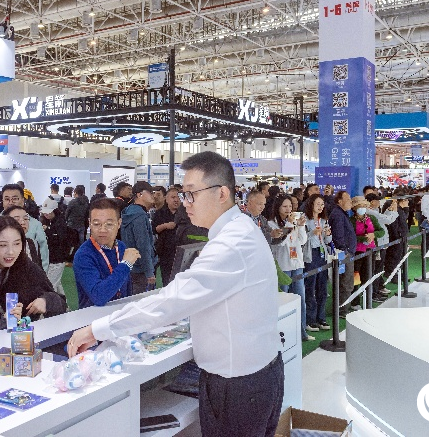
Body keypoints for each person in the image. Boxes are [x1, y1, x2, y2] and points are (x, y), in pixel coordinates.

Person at [67, 152, 283, 437]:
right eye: (183, 194)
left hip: (239, 384)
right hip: (254, 375)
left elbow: (170, 302)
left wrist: (97, 330)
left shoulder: (231, 244)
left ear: (221, 193)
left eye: (192, 194)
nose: (185, 203)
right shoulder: (239, 229)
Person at [0, 216, 66, 322]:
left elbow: (59, 302)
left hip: (22, 331)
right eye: (3, 245)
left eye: (17, 243)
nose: (11, 252)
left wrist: (46, 301)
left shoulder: (28, 268)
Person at [74, 198, 138, 308]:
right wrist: (125, 265)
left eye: (109, 224)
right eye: (96, 224)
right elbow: (98, 296)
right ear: (89, 223)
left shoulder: (121, 247)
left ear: (119, 223)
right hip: (93, 316)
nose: (102, 230)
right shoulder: (83, 255)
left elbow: (126, 286)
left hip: (120, 312)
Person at [267, 195, 310, 341]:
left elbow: (302, 241)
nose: (288, 209)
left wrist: (301, 226)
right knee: (283, 299)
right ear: (278, 207)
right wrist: (289, 225)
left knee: (300, 298)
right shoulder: (272, 224)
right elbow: (280, 243)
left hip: (297, 264)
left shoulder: (295, 221)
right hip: (283, 265)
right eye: (285, 206)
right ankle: (282, 332)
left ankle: (302, 332)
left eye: (290, 206)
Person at [120, 181, 157, 294]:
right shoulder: (140, 216)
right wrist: (149, 272)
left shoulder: (129, 211)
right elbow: (143, 245)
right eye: (150, 192)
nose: (153, 195)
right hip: (141, 269)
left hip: (131, 264)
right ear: (140, 194)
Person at [303, 194, 332, 333]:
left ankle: (321, 317)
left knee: (322, 288)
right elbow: (301, 239)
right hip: (310, 255)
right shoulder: (304, 220)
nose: (321, 207)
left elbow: (327, 241)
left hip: (322, 254)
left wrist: (328, 234)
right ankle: (310, 319)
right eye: (318, 204)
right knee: (310, 287)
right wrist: (312, 233)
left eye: (322, 204)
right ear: (311, 204)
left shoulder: (323, 220)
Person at [329, 191, 357, 317]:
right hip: (343, 254)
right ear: (340, 201)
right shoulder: (338, 215)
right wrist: (344, 250)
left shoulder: (342, 214)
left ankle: (343, 307)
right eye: (348, 199)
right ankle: (342, 309)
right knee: (345, 282)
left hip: (346, 252)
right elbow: (338, 235)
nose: (350, 201)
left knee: (346, 282)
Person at [350, 196, 379, 303]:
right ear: (354, 208)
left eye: (363, 206)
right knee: (355, 276)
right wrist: (363, 238)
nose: (362, 208)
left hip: (370, 250)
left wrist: (373, 234)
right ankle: (355, 300)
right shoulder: (351, 220)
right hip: (357, 251)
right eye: (359, 206)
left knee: (368, 275)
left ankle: (368, 298)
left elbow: (381, 231)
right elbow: (351, 236)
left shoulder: (372, 218)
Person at [41, 198, 70, 295]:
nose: (46, 214)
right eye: (45, 212)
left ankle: (52, 303)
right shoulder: (48, 221)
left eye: (48, 212)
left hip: (57, 259)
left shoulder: (61, 223)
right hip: (51, 258)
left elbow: (60, 240)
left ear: (54, 210)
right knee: (57, 285)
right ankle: (64, 303)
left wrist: (48, 231)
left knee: (51, 285)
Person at [153, 187, 180, 286]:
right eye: (173, 197)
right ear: (166, 199)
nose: (176, 200)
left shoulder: (186, 213)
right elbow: (153, 230)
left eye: (178, 197)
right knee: (167, 281)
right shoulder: (160, 213)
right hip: (165, 254)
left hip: (181, 252)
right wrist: (165, 226)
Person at [2, 206, 43, 270]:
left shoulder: (31, 243)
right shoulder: (2, 246)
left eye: (25, 219)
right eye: (16, 219)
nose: (23, 222)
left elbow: (38, 269)